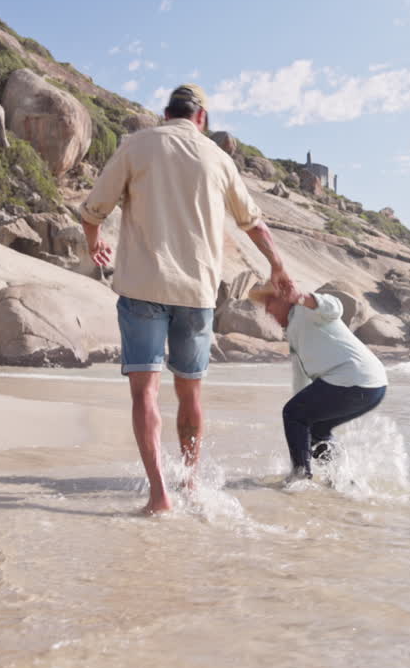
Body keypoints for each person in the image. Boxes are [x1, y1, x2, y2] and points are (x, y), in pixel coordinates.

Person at [78, 83, 296, 515]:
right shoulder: (218, 159)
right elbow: (253, 223)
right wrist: (278, 265)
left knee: (145, 393)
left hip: (142, 286)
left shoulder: (136, 145)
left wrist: (94, 241)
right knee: (190, 394)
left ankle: (159, 496)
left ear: (167, 113)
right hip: (196, 293)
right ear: (201, 118)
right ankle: (191, 480)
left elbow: (92, 209)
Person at [250, 283, 388, 483]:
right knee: (314, 428)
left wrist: (302, 297)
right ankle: (341, 480)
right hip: (372, 385)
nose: (267, 310)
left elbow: (335, 308)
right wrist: (299, 412)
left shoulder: (305, 310)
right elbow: (301, 375)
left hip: (356, 378)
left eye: (269, 302)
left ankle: (300, 478)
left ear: (284, 299)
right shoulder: (294, 329)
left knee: (294, 414)